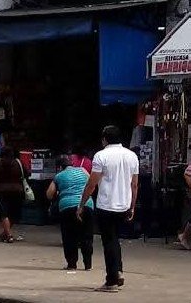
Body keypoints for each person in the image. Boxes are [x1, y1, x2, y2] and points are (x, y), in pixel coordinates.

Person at [78, 125, 139, 293]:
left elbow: (92, 183)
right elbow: (134, 184)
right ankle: (117, 271)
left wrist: (82, 204)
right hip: (124, 204)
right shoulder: (132, 156)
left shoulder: (101, 156)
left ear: (104, 139)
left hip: (106, 205)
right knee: (115, 239)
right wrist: (132, 206)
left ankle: (111, 280)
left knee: (109, 242)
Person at [48, 155, 93, 270]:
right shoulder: (83, 170)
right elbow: (91, 183)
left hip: (67, 207)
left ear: (59, 167)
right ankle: (88, 264)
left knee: (69, 236)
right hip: (86, 205)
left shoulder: (58, 176)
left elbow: (49, 194)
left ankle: (72, 264)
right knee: (86, 235)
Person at [0, 147, 26, 243]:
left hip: (1, 191)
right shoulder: (18, 164)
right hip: (17, 190)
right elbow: (26, 174)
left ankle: (8, 234)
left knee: (3, 212)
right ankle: (6, 233)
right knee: (13, 213)